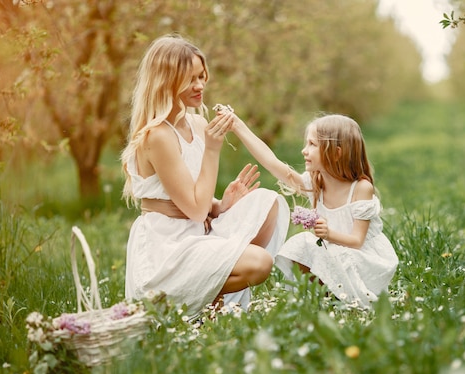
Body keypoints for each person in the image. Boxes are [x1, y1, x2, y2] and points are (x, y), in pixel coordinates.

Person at [120, 34, 289, 318]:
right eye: (190, 79)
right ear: (166, 82)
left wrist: (219, 205)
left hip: (195, 230)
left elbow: (192, 197)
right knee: (260, 263)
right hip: (168, 246)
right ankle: (204, 303)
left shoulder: (197, 123)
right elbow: (195, 209)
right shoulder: (157, 136)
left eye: (202, 76)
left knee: (268, 202)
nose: (200, 86)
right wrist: (212, 150)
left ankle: (208, 295)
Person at [226, 112, 398, 308]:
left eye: (312, 144)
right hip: (334, 251)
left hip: (361, 259)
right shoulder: (316, 183)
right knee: (302, 243)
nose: (304, 151)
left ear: (336, 152)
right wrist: (238, 126)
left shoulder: (360, 188)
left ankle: (342, 297)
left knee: (323, 249)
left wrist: (329, 234)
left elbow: (357, 242)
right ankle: (320, 297)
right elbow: (272, 162)